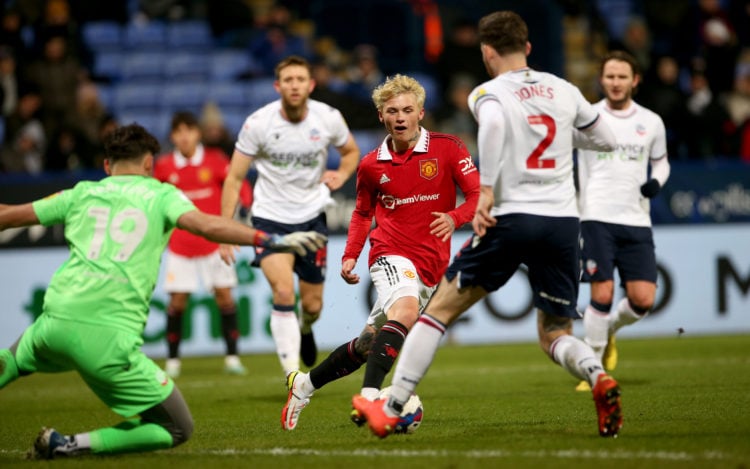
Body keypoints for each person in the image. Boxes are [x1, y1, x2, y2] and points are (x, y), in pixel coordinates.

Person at [352, 10, 623, 439]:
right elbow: (606, 138)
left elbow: (494, 127)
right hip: (561, 223)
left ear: (486, 51)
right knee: (554, 332)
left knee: (435, 312)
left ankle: (394, 404)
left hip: (513, 218)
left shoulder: (488, 93)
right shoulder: (564, 89)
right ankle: (597, 374)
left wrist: (490, 191)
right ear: (528, 47)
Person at [0, 123, 325, 459]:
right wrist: (267, 239)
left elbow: (8, 216)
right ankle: (67, 445)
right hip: (107, 338)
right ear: (148, 165)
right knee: (177, 427)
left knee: (10, 361)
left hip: (52, 321)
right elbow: (208, 225)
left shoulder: (81, 192)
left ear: (107, 166)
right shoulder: (161, 195)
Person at [280, 73, 480, 431]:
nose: (400, 117)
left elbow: (478, 196)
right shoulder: (372, 164)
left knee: (369, 341)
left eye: (407, 110)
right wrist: (350, 254)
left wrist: (455, 217)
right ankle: (371, 397)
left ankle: (304, 384)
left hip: (431, 265)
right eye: (392, 111)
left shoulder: (449, 148)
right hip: (390, 253)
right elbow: (361, 212)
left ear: (421, 113)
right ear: (381, 117)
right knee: (403, 310)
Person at [220, 55, 360, 377]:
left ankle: (305, 327)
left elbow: (351, 151)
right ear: (277, 86)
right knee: (283, 291)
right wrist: (226, 231)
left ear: (310, 85)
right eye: (288, 80)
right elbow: (233, 177)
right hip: (270, 219)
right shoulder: (258, 123)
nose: (294, 85)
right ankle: (292, 376)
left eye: (300, 79)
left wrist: (341, 172)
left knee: (312, 306)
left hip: (312, 218)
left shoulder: (328, 118)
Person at [575, 50, 671, 391]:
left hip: (636, 219)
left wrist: (656, 182)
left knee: (643, 300)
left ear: (635, 80)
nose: (615, 83)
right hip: (596, 215)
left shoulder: (651, 122)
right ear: (601, 80)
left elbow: (661, 162)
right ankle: (594, 369)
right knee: (602, 291)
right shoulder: (586, 118)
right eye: (610, 76)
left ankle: (610, 329)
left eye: (622, 76)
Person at [154, 111, 253, 379]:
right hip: (181, 245)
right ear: (173, 136)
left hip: (214, 244)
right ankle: (173, 362)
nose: (184, 137)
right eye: (178, 132)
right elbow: (150, 199)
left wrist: (244, 207)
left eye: (189, 130)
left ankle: (232, 358)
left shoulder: (214, 160)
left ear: (197, 133)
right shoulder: (163, 167)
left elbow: (239, 184)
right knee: (177, 302)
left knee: (225, 297)